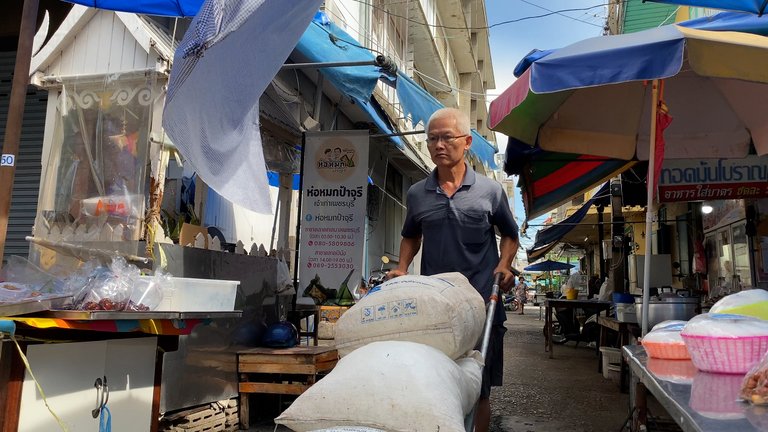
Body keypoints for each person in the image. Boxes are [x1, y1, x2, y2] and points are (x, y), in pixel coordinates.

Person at [386, 107, 519, 432]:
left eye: (446, 137)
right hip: (437, 309)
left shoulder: (489, 191)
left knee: (479, 388)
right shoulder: (418, 193)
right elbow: (411, 235)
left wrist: (505, 264)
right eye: (432, 139)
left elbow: (511, 235)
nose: (438, 145)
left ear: (467, 141)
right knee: (438, 383)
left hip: (482, 304)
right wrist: (402, 267)